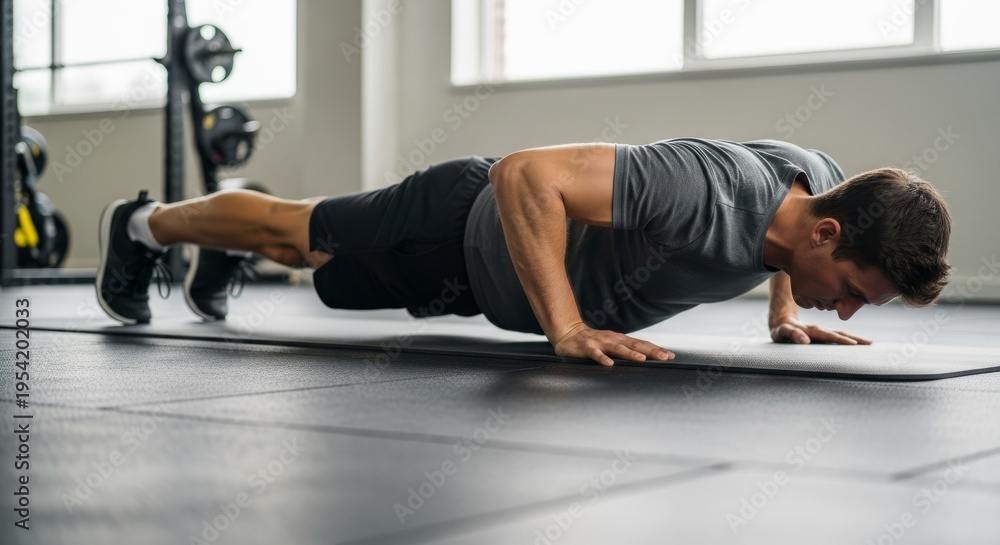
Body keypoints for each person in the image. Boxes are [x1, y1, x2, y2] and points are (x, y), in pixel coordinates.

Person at [95, 138, 952, 367]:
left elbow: (788, 223)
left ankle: (216, 255)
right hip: (456, 223)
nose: (843, 307)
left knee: (329, 276)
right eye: (846, 291)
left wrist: (786, 310)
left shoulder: (822, 187)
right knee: (296, 231)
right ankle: (142, 225)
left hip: (478, 283)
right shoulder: (703, 188)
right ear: (827, 235)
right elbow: (525, 174)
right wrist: (569, 329)